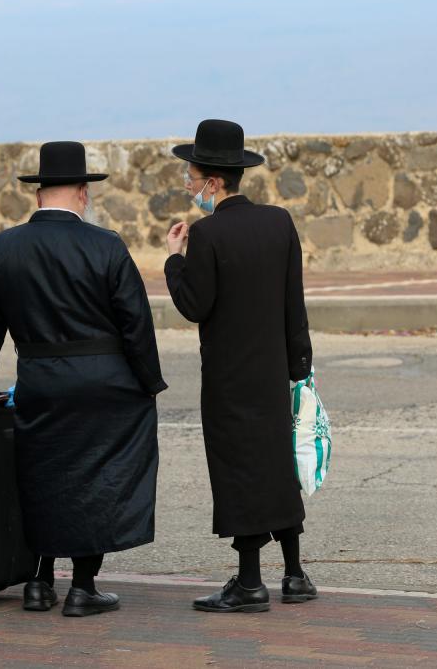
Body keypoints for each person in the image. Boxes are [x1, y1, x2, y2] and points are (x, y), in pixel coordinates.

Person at [0, 141, 167, 617]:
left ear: (37, 195)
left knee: (40, 475)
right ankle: (84, 587)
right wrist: (148, 381)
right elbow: (136, 322)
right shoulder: (107, 245)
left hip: (39, 378)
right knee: (97, 476)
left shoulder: (1, 248)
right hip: (106, 384)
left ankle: (39, 582)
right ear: (82, 193)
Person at [164, 119, 317, 612]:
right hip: (273, 371)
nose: (188, 187)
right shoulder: (279, 222)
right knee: (277, 463)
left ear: (213, 181)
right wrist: (300, 365)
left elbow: (195, 305)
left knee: (237, 470)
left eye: (191, 178)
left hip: (229, 378)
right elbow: (295, 300)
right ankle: (294, 574)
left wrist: (174, 259)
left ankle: (249, 581)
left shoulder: (207, 235)